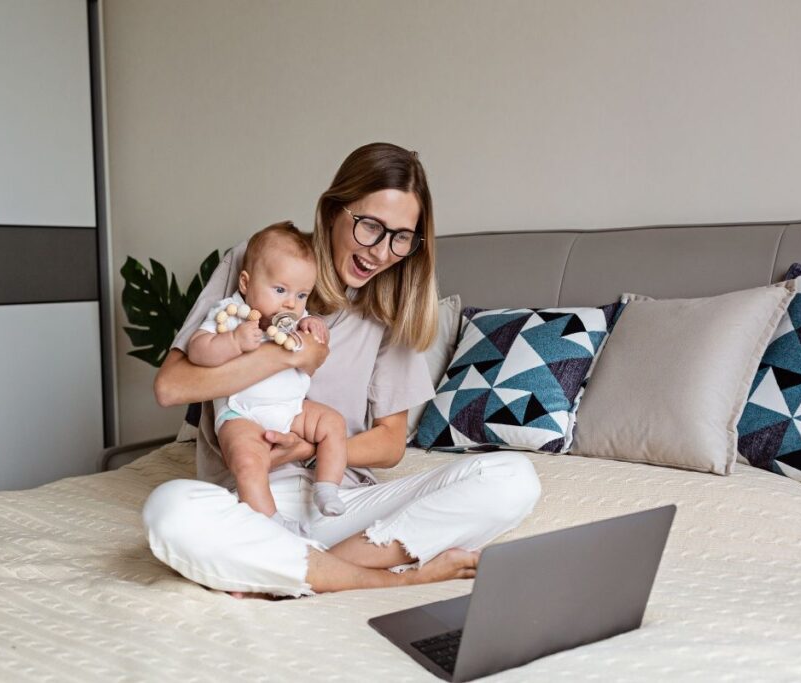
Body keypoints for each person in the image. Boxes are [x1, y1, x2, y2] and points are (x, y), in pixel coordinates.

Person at [143, 142, 541, 597]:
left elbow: (391, 443)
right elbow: (172, 386)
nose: (381, 251)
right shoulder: (260, 259)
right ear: (334, 210)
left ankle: (285, 571)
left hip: (341, 503)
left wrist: (306, 451)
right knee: (168, 511)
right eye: (370, 226)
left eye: (401, 237)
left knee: (512, 479)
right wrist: (288, 356)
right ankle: (390, 576)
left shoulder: (389, 303)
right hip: (246, 502)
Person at [186, 222, 348, 531]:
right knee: (248, 463)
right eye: (280, 290)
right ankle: (270, 521)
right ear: (246, 284)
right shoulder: (230, 313)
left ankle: (327, 488)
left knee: (332, 424)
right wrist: (232, 343)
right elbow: (197, 350)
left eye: (302, 295)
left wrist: (315, 328)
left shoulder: (295, 320)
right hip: (241, 414)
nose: (291, 303)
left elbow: (312, 349)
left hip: (290, 409)